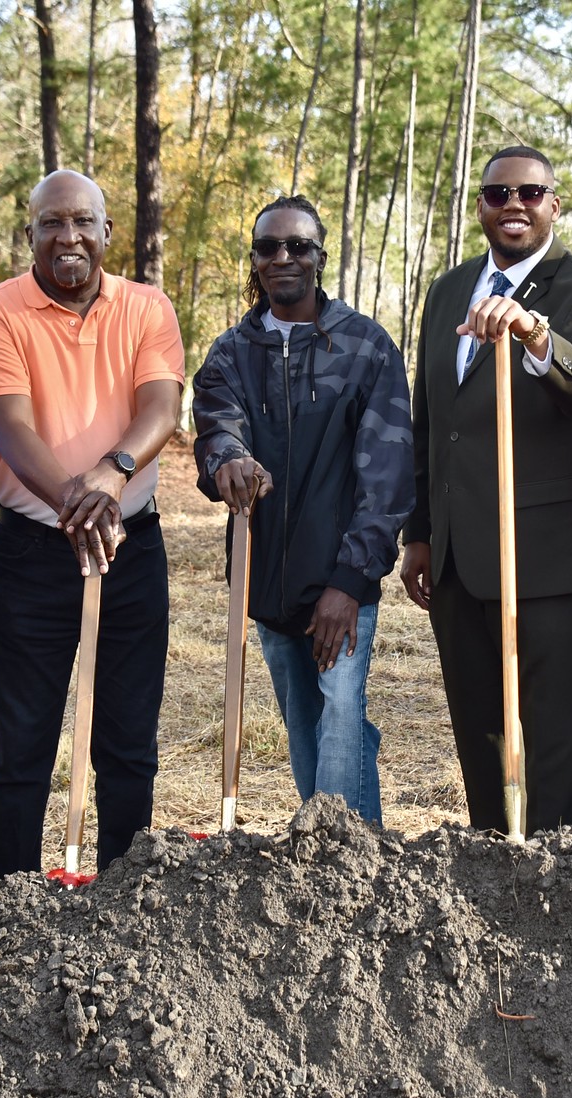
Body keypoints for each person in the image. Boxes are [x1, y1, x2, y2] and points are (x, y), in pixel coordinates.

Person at [398, 145, 572, 834]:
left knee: (552, 737)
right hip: (455, 555)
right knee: (480, 732)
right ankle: (491, 870)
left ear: (553, 205)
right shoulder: (449, 290)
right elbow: (431, 419)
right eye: (496, 194)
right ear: (479, 206)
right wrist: (418, 532)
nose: (513, 206)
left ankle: (558, 882)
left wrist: (536, 335)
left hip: (550, 555)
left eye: (529, 193)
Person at [0, 170, 185, 882]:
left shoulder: (147, 309)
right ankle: (10, 906)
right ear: (29, 233)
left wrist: (111, 474)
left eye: (83, 222)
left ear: (107, 231)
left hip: (130, 547)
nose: (68, 238)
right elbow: (10, 426)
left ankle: (123, 900)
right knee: (22, 743)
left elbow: (160, 406)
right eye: (51, 224)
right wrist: (73, 500)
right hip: (33, 553)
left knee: (127, 741)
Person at [191, 195, 413, 822]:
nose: (282, 257)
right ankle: (336, 855)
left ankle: (344, 862)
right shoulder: (232, 352)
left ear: (320, 257)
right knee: (305, 722)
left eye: (298, 246)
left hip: (341, 577)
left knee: (342, 713)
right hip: (263, 578)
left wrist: (350, 580)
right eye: (268, 247)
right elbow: (215, 425)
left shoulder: (365, 347)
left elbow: (388, 477)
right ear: (254, 261)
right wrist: (229, 459)